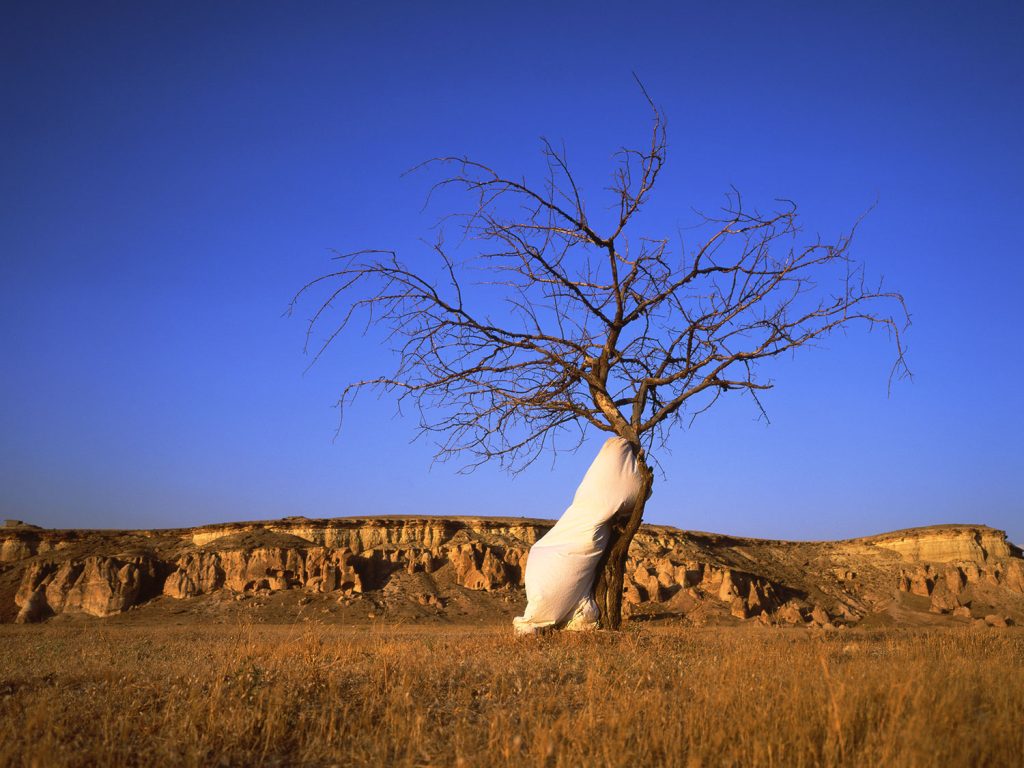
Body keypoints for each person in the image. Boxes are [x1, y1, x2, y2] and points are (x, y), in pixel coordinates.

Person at [513, 437, 644, 635]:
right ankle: (542, 614)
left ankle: (542, 615)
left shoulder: (595, 483)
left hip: (579, 529)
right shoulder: (606, 485)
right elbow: (633, 493)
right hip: (573, 535)